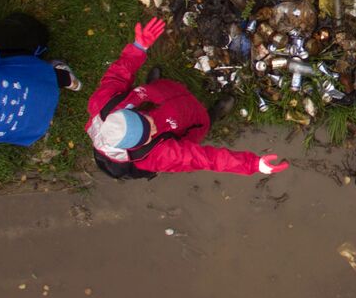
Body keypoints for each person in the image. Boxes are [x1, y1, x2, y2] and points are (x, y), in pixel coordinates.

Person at [86, 17, 288, 179]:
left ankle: (153, 85)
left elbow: (119, 74)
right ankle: (213, 114)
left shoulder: (102, 103)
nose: (153, 125)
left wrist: (138, 48)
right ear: (135, 146)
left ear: (128, 110)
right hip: (186, 122)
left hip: (161, 94)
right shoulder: (157, 155)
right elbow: (206, 159)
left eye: (145, 119)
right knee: (202, 121)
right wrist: (253, 164)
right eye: (148, 133)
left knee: (153, 90)